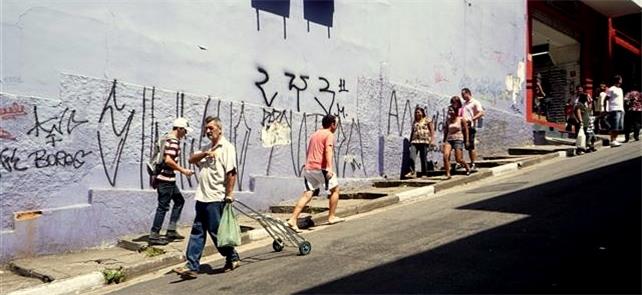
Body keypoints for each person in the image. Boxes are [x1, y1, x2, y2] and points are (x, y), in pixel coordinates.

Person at [173, 116, 240, 279]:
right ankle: (192, 266)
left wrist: (229, 194)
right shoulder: (206, 147)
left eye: (211, 128)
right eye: (206, 128)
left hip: (216, 197)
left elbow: (231, 173)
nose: (208, 131)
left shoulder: (227, 148)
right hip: (202, 196)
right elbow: (191, 159)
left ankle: (232, 256)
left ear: (219, 129)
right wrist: (205, 153)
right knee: (198, 231)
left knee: (216, 232)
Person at [287, 114, 343, 232]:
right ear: (332, 124)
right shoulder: (329, 135)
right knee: (335, 190)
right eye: (336, 123)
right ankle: (331, 217)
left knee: (307, 194)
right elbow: (328, 150)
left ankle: (293, 220)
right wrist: (329, 168)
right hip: (320, 168)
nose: (336, 126)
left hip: (308, 168)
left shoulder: (314, 135)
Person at [149, 117, 194, 246]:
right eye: (184, 131)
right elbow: (168, 160)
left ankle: (171, 230)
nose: (185, 134)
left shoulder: (166, 138)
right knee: (163, 207)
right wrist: (183, 171)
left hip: (166, 178)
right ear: (179, 129)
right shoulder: (174, 141)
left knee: (179, 201)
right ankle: (154, 235)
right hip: (166, 179)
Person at [405, 106, 435, 178]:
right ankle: (412, 171)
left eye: (418, 112)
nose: (417, 114)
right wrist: (410, 140)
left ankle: (424, 173)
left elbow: (432, 131)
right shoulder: (415, 122)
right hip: (415, 141)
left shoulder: (427, 120)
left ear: (422, 113)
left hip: (424, 141)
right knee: (412, 156)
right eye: (416, 112)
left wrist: (432, 140)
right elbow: (413, 131)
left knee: (423, 157)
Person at [442, 106, 470, 179]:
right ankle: (448, 173)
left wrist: (466, 140)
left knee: (458, 159)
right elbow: (446, 131)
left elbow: (466, 130)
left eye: (452, 110)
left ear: (455, 111)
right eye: (449, 111)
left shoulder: (461, 119)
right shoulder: (447, 120)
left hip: (458, 139)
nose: (450, 112)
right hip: (449, 139)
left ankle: (466, 166)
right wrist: (444, 141)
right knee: (445, 155)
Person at [461, 88, 484, 170]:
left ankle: (473, 162)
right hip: (463, 127)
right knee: (462, 145)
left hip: (470, 127)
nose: (462, 96)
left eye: (463, 94)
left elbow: (481, 112)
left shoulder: (475, 102)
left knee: (471, 146)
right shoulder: (464, 104)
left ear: (468, 93)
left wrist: (472, 119)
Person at [604, 75, 625, 147]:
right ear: (617, 80)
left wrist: (623, 109)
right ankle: (613, 140)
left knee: (620, 126)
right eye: (620, 79)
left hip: (621, 109)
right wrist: (605, 109)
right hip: (614, 109)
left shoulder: (620, 89)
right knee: (615, 126)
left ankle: (614, 139)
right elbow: (605, 99)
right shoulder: (611, 89)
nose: (621, 81)